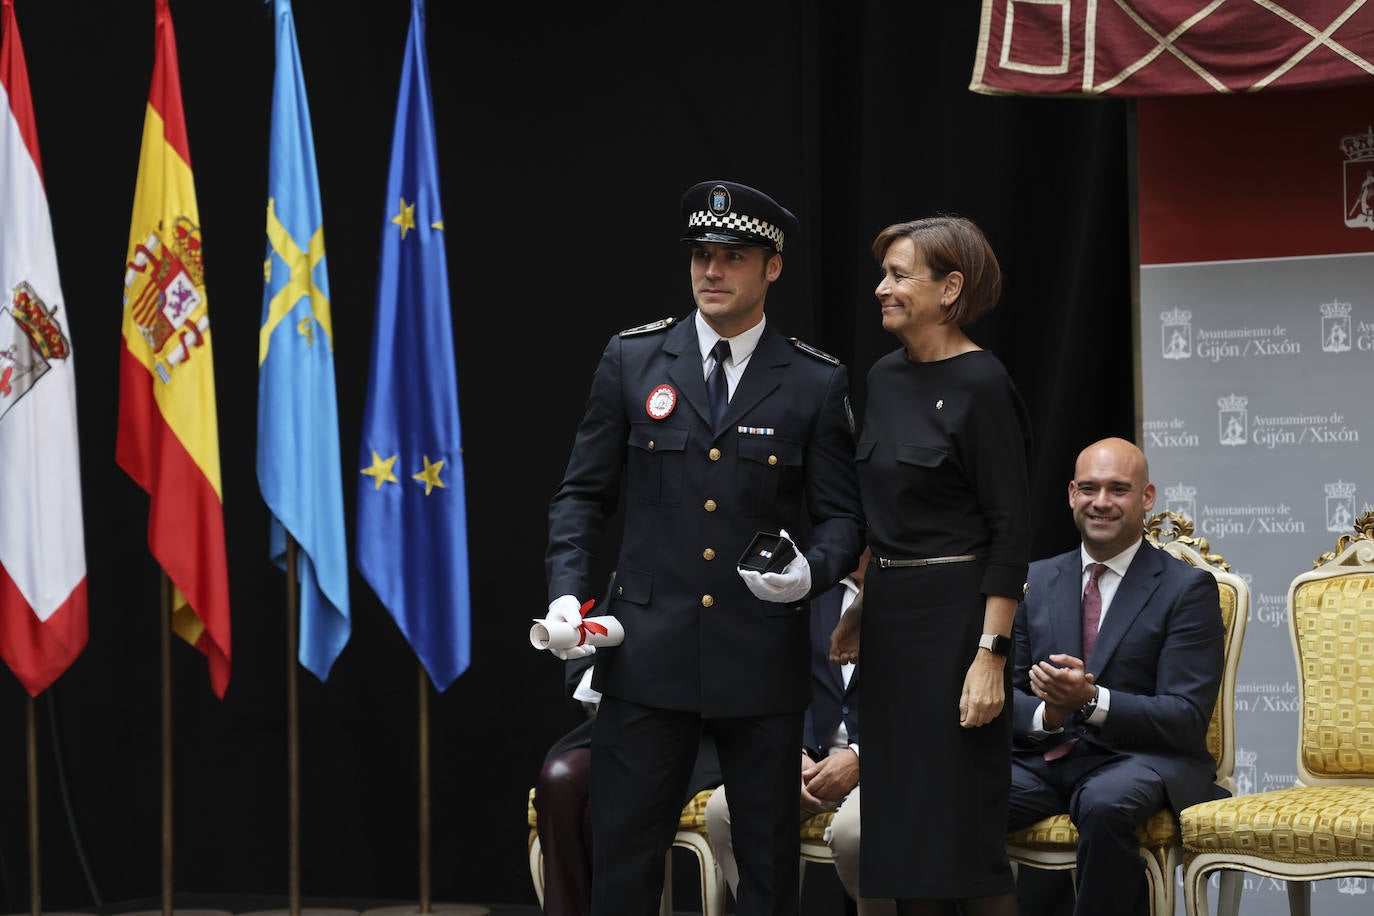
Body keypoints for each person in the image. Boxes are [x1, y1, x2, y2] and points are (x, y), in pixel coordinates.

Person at [544, 179, 866, 915]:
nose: (711, 271)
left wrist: (808, 574)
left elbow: (844, 520)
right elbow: (582, 495)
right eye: (700, 254)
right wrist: (567, 588)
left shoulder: (814, 381)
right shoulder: (633, 360)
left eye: (732, 256)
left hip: (759, 659)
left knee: (766, 867)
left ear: (772, 267)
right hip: (647, 651)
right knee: (624, 862)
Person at [831, 216, 1031, 915]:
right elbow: (884, 516)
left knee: (961, 850)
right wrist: (859, 610)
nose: (881, 288)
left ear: (951, 289)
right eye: (882, 273)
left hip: (957, 628)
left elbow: (1011, 530)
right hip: (891, 630)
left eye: (899, 274)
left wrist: (990, 655)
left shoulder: (982, 381)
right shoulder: (883, 378)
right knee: (905, 845)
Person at [1006, 437, 1226, 916]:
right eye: (1089, 488)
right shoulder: (1036, 580)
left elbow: (1185, 717)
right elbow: (1007, 697)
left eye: (1117, 489)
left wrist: (1089, 701)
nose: (1101, 502)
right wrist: (1051, 711)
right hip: (1047, 758)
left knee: (1106, 804)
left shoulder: (1186, 589)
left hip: (1141, 759)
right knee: (959, 788)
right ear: (1070, 494)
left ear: (1146, 498)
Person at [705, 551, 892, 916]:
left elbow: (920, 694)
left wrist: (859, 755)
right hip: (812, 759)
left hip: (888, 761)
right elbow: (787, 676)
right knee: (723, 810)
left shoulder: (913, 592)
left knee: (854, 833)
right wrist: (793, 751)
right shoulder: (811, 589)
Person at [534, 651, 721, 916]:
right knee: (559, 778)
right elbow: (579, 672)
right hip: (620, 720)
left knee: (603, 807)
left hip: (697, 731)